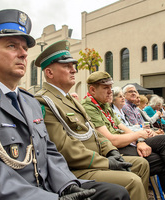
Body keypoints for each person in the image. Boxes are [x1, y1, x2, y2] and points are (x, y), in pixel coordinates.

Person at [0, 10, 129, 200]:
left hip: (49, 187)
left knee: (117, 194)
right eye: (12, 46)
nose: (23, 53)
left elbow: (48, 151)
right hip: (8, 196)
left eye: (24, 48)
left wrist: (66, 185)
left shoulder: (29, 101)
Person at [34, 40, 147, 200]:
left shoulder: (69, 99)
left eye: (73, 65)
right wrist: (106, 162)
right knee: (132, 181)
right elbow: (64, 148)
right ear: (49, 73)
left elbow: (93, 131)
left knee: (141, 165)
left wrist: (111, 151)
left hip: (96, 160)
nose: (74, 70)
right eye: (66, 66)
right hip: (76, 168)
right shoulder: (44, 101)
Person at [81, 71, 165, 200]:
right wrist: (139, 135)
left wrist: (140, 139)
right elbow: (111, 141)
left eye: (111, 87)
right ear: (92, 90)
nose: (110, 91)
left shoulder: (103, 105)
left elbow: (125, 128)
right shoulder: (89, 107)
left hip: (126, 144)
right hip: (113, 151)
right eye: (106, 88)